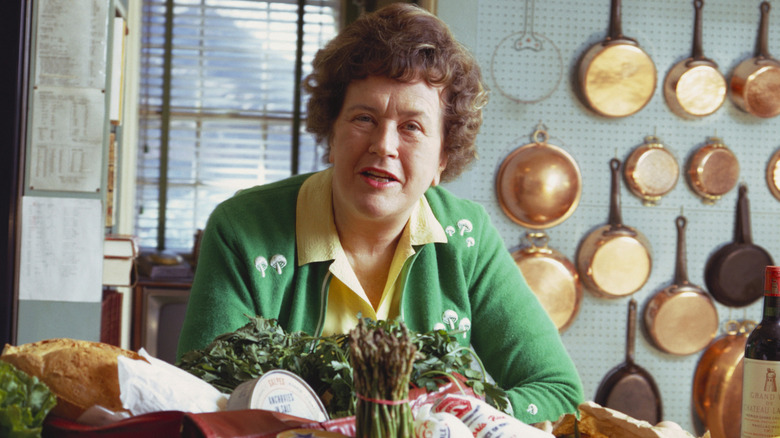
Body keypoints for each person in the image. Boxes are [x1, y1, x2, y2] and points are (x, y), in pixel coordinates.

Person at [177, 2, 583, 423]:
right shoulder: (243, 228)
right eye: (364, 118)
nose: (383, 145)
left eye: (412, 127)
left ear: (443, 156)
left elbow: (559, 393)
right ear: (331, 132)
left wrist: (454, 415)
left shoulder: (468, 238)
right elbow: (202, 396)